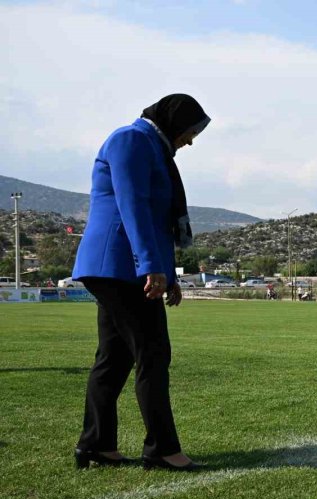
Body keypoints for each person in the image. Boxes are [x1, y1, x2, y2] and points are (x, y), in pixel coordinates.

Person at [72, 94, 210, 471]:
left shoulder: (154, 147)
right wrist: (151, 266)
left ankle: (96, 445)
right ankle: (162, 450)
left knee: (114, 359)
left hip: (125, 266)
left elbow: (156, 219)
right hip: (116, 265)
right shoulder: (130, 140)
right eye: (189, 131)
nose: (190, 140)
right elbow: (133, 207)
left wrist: (168, 273)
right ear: (172, 122)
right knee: (153, 353)